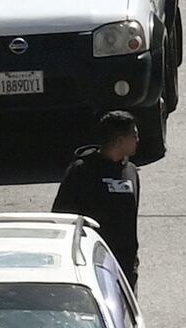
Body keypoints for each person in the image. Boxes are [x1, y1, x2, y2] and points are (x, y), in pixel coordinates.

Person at [56, 111, 147, 285]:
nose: (138, 140)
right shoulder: (82, 171)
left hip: (125, 267)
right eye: (134, 135)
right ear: (119, 140)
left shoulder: (131, 172)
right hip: (91, 262)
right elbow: (62, 216)